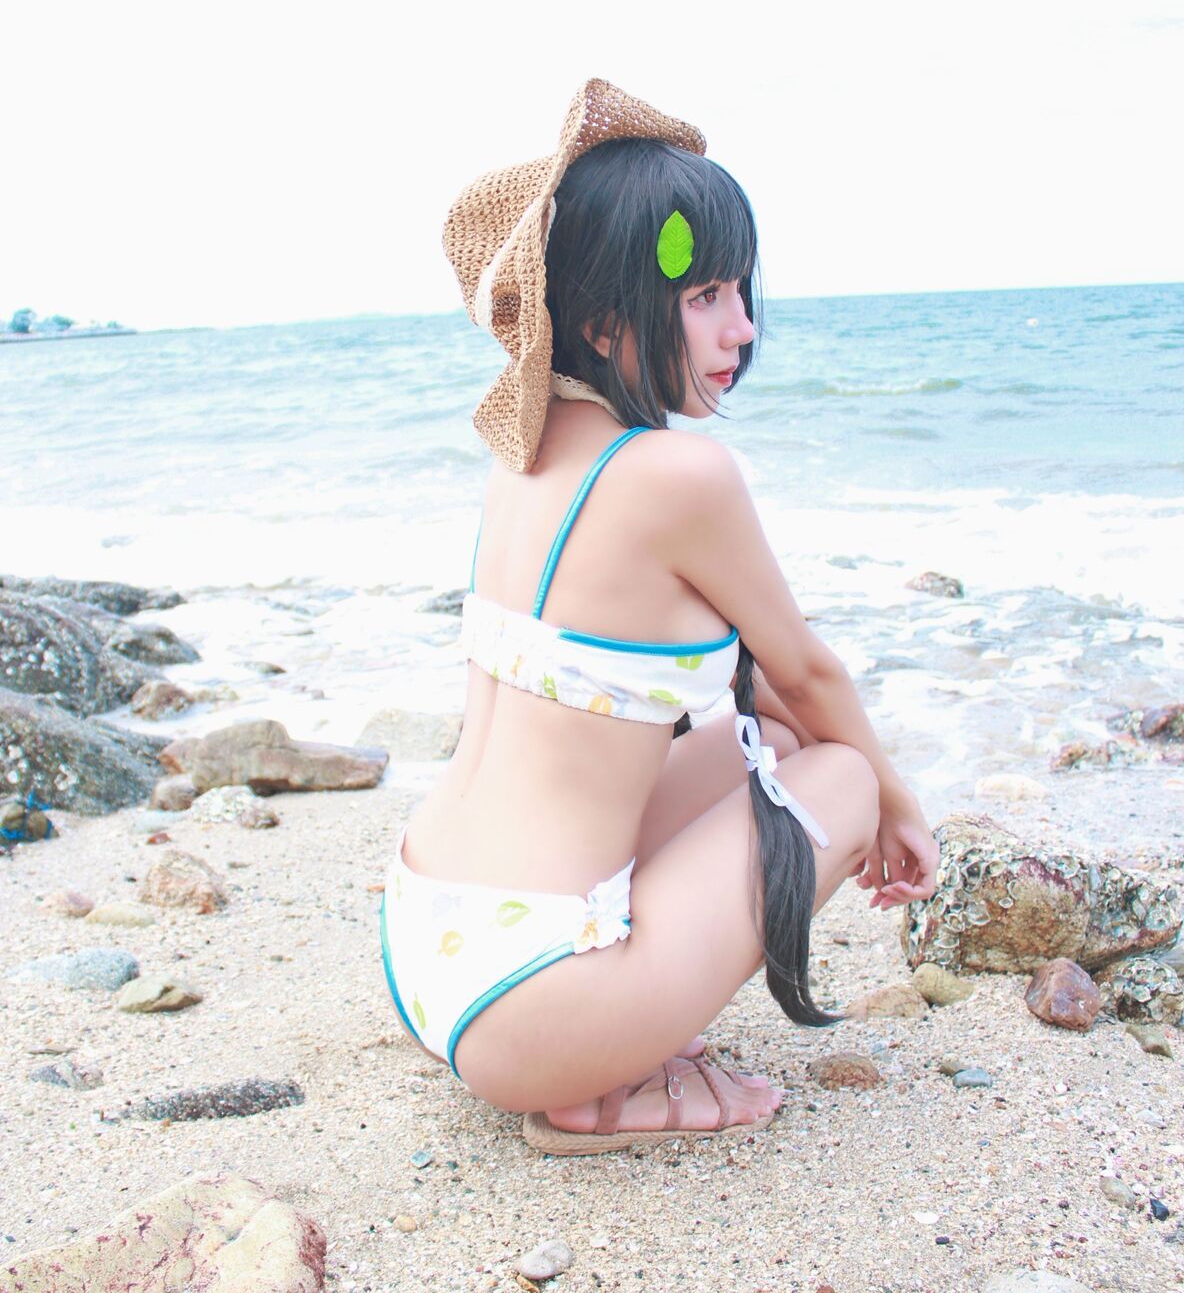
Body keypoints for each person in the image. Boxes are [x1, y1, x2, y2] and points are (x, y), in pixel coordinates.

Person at [380, 78, 940, 1154]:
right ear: (601, 317)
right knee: (843, 777)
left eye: (740, 289)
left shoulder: (525, 453)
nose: (742, 327)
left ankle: (602, 1034)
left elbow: (778, 703)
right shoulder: (681, 475)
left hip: (425, 937)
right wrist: (896, 807)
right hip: (529, 1004)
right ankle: (595, 1080)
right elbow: (811, 673)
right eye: (704, 295)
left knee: (774, 743)